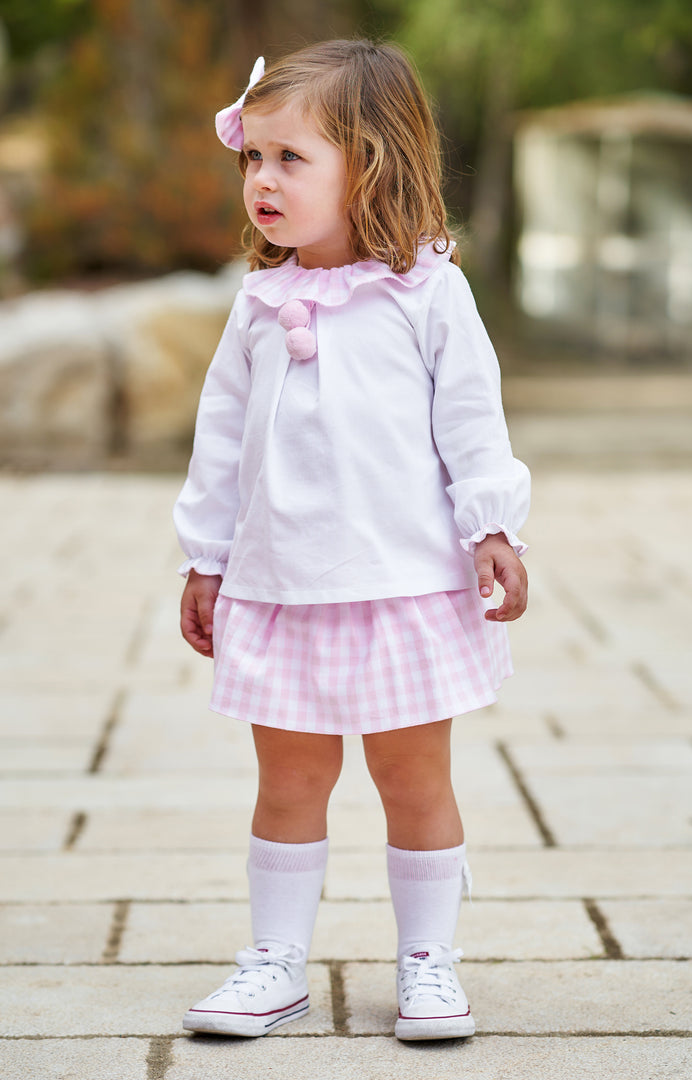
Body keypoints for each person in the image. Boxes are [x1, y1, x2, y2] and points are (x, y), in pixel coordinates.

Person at [174, 38, 529, 1043]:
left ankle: (428, 961)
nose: (264, 180)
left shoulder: (427, 291)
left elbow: (471, 419)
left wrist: (492, 525)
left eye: (293, 158)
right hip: (281, 588)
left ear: (369, 165)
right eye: (254, 158)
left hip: (403, 586)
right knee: (287, 780)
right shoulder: (256, 304)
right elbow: (221, 444)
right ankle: (276, 961)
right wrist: (206, 558)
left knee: (412, 778)